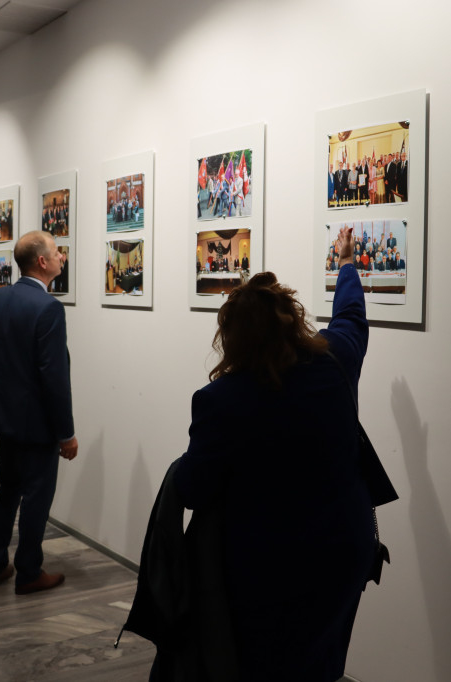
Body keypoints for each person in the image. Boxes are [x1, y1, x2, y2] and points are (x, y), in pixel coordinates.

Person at [173, 225, 373, 680]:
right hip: (343, 549)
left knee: (264, 664)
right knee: (323, 658)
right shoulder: (334, 362)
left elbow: (193, 488)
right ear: (293, 318)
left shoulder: (221, 400)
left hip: (265, 565)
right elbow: (350, 316)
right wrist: (345, 263)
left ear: (232, 338)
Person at [0, 231, 78, 596]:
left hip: (3, 423)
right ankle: (29, 571)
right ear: (43, 262)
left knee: (8, 490)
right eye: (57, 251)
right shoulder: (48, 308)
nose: (62, 255)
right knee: (36, 498)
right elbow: (54, 377)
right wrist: (66, 434)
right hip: (36, 427)